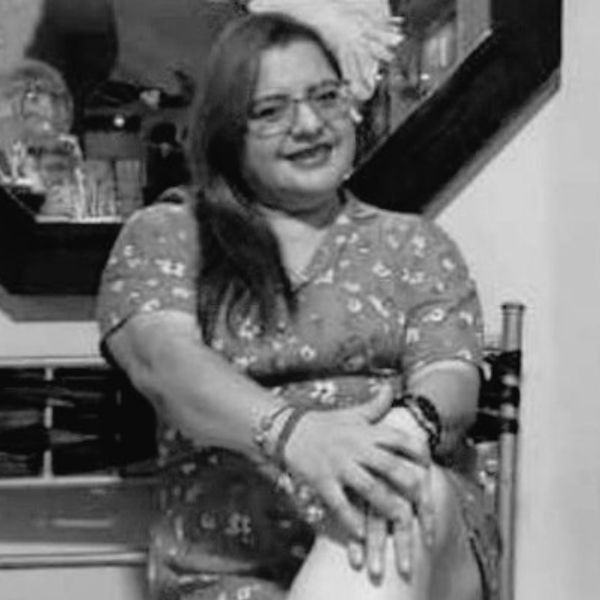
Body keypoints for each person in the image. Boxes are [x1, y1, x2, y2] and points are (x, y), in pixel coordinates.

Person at [97, 12, 497, 600]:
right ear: (227, 132)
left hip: (416, 546)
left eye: (325, 96)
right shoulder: (170, 233)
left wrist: (398, 432)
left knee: (397, 489)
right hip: (229, 574)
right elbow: (165, 363)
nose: (309, 124)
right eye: (270, 110)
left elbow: (452, 376)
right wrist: (297, 436)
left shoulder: (413, 243)